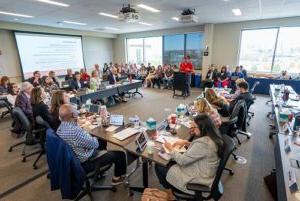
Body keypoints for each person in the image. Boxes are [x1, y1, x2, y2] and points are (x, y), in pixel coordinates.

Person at [57, 104, 127, 185]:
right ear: (73, 115)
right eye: (75, 111)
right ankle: (116, 179)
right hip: (86, 162)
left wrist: (86, 134)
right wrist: (93, 135)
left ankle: (101, 171)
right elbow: (95, 144)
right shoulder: (75, 131)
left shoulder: (60, 128)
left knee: (102, 141)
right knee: (120, 154)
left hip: (74, 159)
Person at [155, 114, 224, 196]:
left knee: (159, 166)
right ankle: (171, 186)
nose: (193, 129)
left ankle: (171, 190)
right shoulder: (213, 136)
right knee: (170, 162)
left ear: (202, 128)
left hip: (198, 180)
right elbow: (203, 150)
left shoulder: (203, 143)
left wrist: (170, 149)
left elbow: (182, 161)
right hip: (205, 172)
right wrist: (186, 142)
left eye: (194, 127)